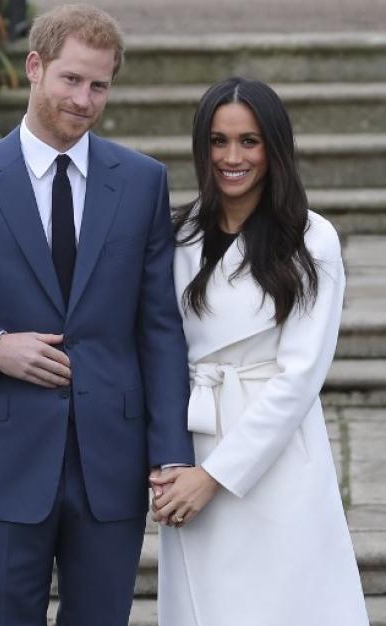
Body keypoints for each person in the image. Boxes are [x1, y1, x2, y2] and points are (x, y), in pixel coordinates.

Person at [0, 4, 194, 625]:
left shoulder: (142, 181)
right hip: (2, 458)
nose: (84, 99)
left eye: (99, 85)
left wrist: (171, 451)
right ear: (34, 67)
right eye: (71, 79)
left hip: (112, 459)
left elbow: (159, 327)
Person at [150, 77, 370, 626]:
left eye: (249, 141)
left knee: (284, 604)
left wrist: (215, 476)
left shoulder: (310, 238)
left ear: (274, 147)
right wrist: (172, 461)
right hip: (193, 441)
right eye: (219, 141)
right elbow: (159, 346)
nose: (232, 157)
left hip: (273, 458)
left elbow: (300, 378)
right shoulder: (178, 235)